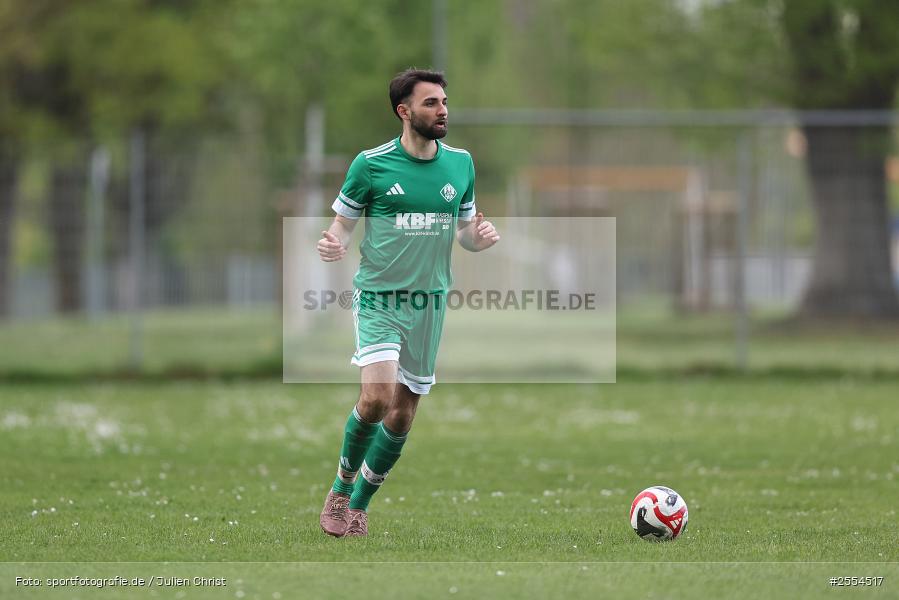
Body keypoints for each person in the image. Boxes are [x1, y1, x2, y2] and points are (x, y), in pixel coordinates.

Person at [316, 68, 500, 537]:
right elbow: (341, 224)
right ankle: (340, 489)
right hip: (379, 295)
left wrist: (480, 238)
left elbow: (465, 233)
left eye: (443, 101)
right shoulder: (371, 164)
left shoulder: (461, 164)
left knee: (402, 413)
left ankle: (360, 504)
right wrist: (333, 241)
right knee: (376, 398)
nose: (442, 110)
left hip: (429, 303)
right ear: (405, 111)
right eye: (431, 103)